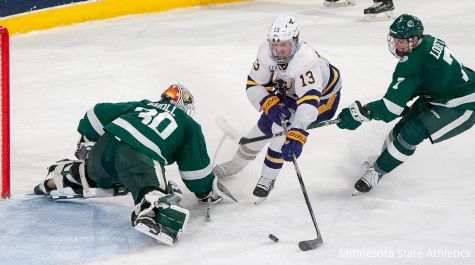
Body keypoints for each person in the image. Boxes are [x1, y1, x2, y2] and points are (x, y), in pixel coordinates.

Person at [33, 84, 230, 246]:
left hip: (104, 147)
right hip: (139, 157)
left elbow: (96, 114)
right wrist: (206, 191)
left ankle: (67, 173)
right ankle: (153, 208)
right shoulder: (188, 124)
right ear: (187, 108)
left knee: (96, 172)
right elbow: (194, 171)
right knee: (149, 184)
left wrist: (86, 139)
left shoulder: (143, 105)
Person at [336, 14, 475, 193]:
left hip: (464, 104)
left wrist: (361, 113)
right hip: (440, 95)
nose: (397, 44)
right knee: (403, 126)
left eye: (402, 40)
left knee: (412, 132)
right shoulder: (429, 41)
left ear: (415, 38)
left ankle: (377, 172)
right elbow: (422, 81)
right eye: (395, 39)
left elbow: (390, 109)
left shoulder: (412, 63)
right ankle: (383, 161)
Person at [213, 15, 342, 200]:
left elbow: (309, 101)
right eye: (276, 44)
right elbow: (254, 85)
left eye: (284, 44)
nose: (279, 50)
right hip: (291, 94)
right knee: (264, 125)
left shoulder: (306, 60)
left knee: (282, 129)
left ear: (295, 41)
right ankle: (236, 164)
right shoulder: (266, 54)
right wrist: (269, 102)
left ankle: (267, 178)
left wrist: (298, 133)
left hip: (323, 99)